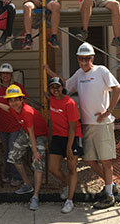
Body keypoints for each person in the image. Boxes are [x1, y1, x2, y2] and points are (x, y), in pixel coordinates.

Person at [45, 42, 120, 209]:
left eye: (87, 59)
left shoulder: (101, 71)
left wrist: (108, 111)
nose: (84, 62)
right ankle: (111, 186)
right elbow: (65, 85)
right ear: (78, 59)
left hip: (102, 124)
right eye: (81, 59)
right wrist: (49, 72)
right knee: (89, 159)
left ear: (92, 58)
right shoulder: (79, 74)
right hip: (85, 125)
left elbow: (118, 89)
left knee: (105, 160)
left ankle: (109, 194)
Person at [0, 84, 49, 211]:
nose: (13, 102)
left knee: (38, 162)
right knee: (13, 157)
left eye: (16, 99)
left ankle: (35, 196)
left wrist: (35, 151)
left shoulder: (27, 111)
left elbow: (32, 132)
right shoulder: (14, 109)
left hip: (39, 135)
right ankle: (28, 184)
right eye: (11, 100)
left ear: (22, 100)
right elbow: (6, 108)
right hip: (27, 133)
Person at [46, 77, 82, 214]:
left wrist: (68, 148)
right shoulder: (51, 100)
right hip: (58, 136)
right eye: (52, 87)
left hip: (72, 136)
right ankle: (68, 185)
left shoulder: (70, 103)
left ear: (62, 87)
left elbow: (72, 127)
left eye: (58, 86)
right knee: (53, 168)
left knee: (72, 168)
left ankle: (70, 200)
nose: (55, 89)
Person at [0, 63, 26, 186]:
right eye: (3, 74)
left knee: (13, 150)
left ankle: (17, 177)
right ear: (0, 75)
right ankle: (8, 174)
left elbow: (23, 105)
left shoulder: (17, 87)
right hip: (2, 126)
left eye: (8, 74)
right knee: (6, 151)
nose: (5, 76)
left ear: (11, 75)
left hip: (15, 125)